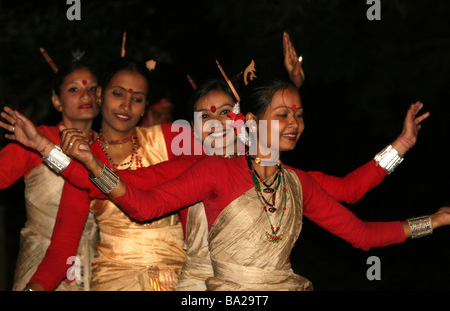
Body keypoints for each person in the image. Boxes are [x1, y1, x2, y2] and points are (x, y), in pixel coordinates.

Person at [68, 78, 449, 291]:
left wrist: (433, 218)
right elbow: (138, 201)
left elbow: (359, 225)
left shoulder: (298, 184)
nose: (294, 122)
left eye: (298, 114)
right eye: (283, 114)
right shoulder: (202, 169)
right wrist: (65, 155)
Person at [1, 57, 207, 291]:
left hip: (179, 280)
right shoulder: (84, 161)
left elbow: (221, 159)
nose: (126, 106)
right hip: (112, 283)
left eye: (137, 99)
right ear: (101, 96)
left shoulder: (170, 139)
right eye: (118, 94)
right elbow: (62, 249)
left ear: (145, 106)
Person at [0, 58, 100, 291]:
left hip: (98, 269)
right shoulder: (34, 139)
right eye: (74, 89)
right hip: (40, 265)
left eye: (92, 88)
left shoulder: (110, 148)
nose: (86, 95)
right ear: (57, 101)